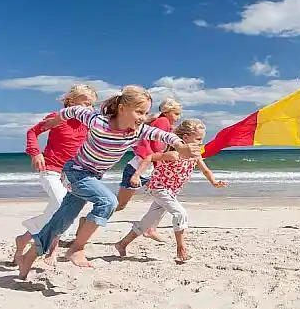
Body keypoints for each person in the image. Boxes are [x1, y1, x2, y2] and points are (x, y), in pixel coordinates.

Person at [16, 85, 200, 279]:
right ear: (122, 109)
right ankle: (76, 248)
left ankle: (29, 256)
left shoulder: (138, 131)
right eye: (139, 112)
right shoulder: (97, 122)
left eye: (145, 113)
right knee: (108, 202)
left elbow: (165, 135)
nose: (143, 117)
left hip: (92, 177)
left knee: (61, 222)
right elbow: (73, 111)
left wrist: (182, 147)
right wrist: (55, 121)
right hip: (75, 172)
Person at [114, 119, 227, 263]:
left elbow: (205, 170)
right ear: (185, 138)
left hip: (171, 192)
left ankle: (122, 244)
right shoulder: (173, 154)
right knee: (180, 213)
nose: (200, 142)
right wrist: (136, 175)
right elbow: (149, 157)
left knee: (148, 221)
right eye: (198, 139)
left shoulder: (196, 155)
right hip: (159, 188)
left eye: (202, 139)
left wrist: (215, 182)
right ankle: (181, 249)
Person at [13, 84, 98, 265]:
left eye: (92, 105)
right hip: (50, 170)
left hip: (72, 174)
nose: (89, 108)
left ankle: (28, 240)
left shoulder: (88, 124)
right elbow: (33, 132)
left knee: (60, 209)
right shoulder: (56, 118)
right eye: (85, 103)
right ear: (71, 101)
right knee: (60, 205)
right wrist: (35, 152)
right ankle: (35, 240)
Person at [115, 98, 182, 242]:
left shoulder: (164, 123)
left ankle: (151, 229)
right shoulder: (163, 122)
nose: (178, 117)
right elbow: (157, 148)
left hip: (147, 170)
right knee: (120, 205)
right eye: (176, 113)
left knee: (165, 198)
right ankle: (90, 219)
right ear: (167, 112)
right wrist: (167, 156)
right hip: (137, 170)